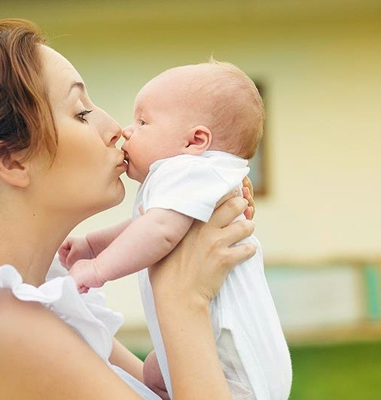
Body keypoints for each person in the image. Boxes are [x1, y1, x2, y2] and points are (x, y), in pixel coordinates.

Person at [0, 19, 259, 400]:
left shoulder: (39, 296)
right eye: (81, 112)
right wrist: (183, 300)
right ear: (11, 161)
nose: (117, 129)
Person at [59, 61, 292, 399]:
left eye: (143, 122)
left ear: (195, 140)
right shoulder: (197, 178)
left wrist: (98, 268)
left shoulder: (185, 170)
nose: (126, 130)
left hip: (233, 368)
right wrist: (93, 244)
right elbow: (149, 224)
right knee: (153, 375)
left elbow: (160, 231)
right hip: (236, 357)